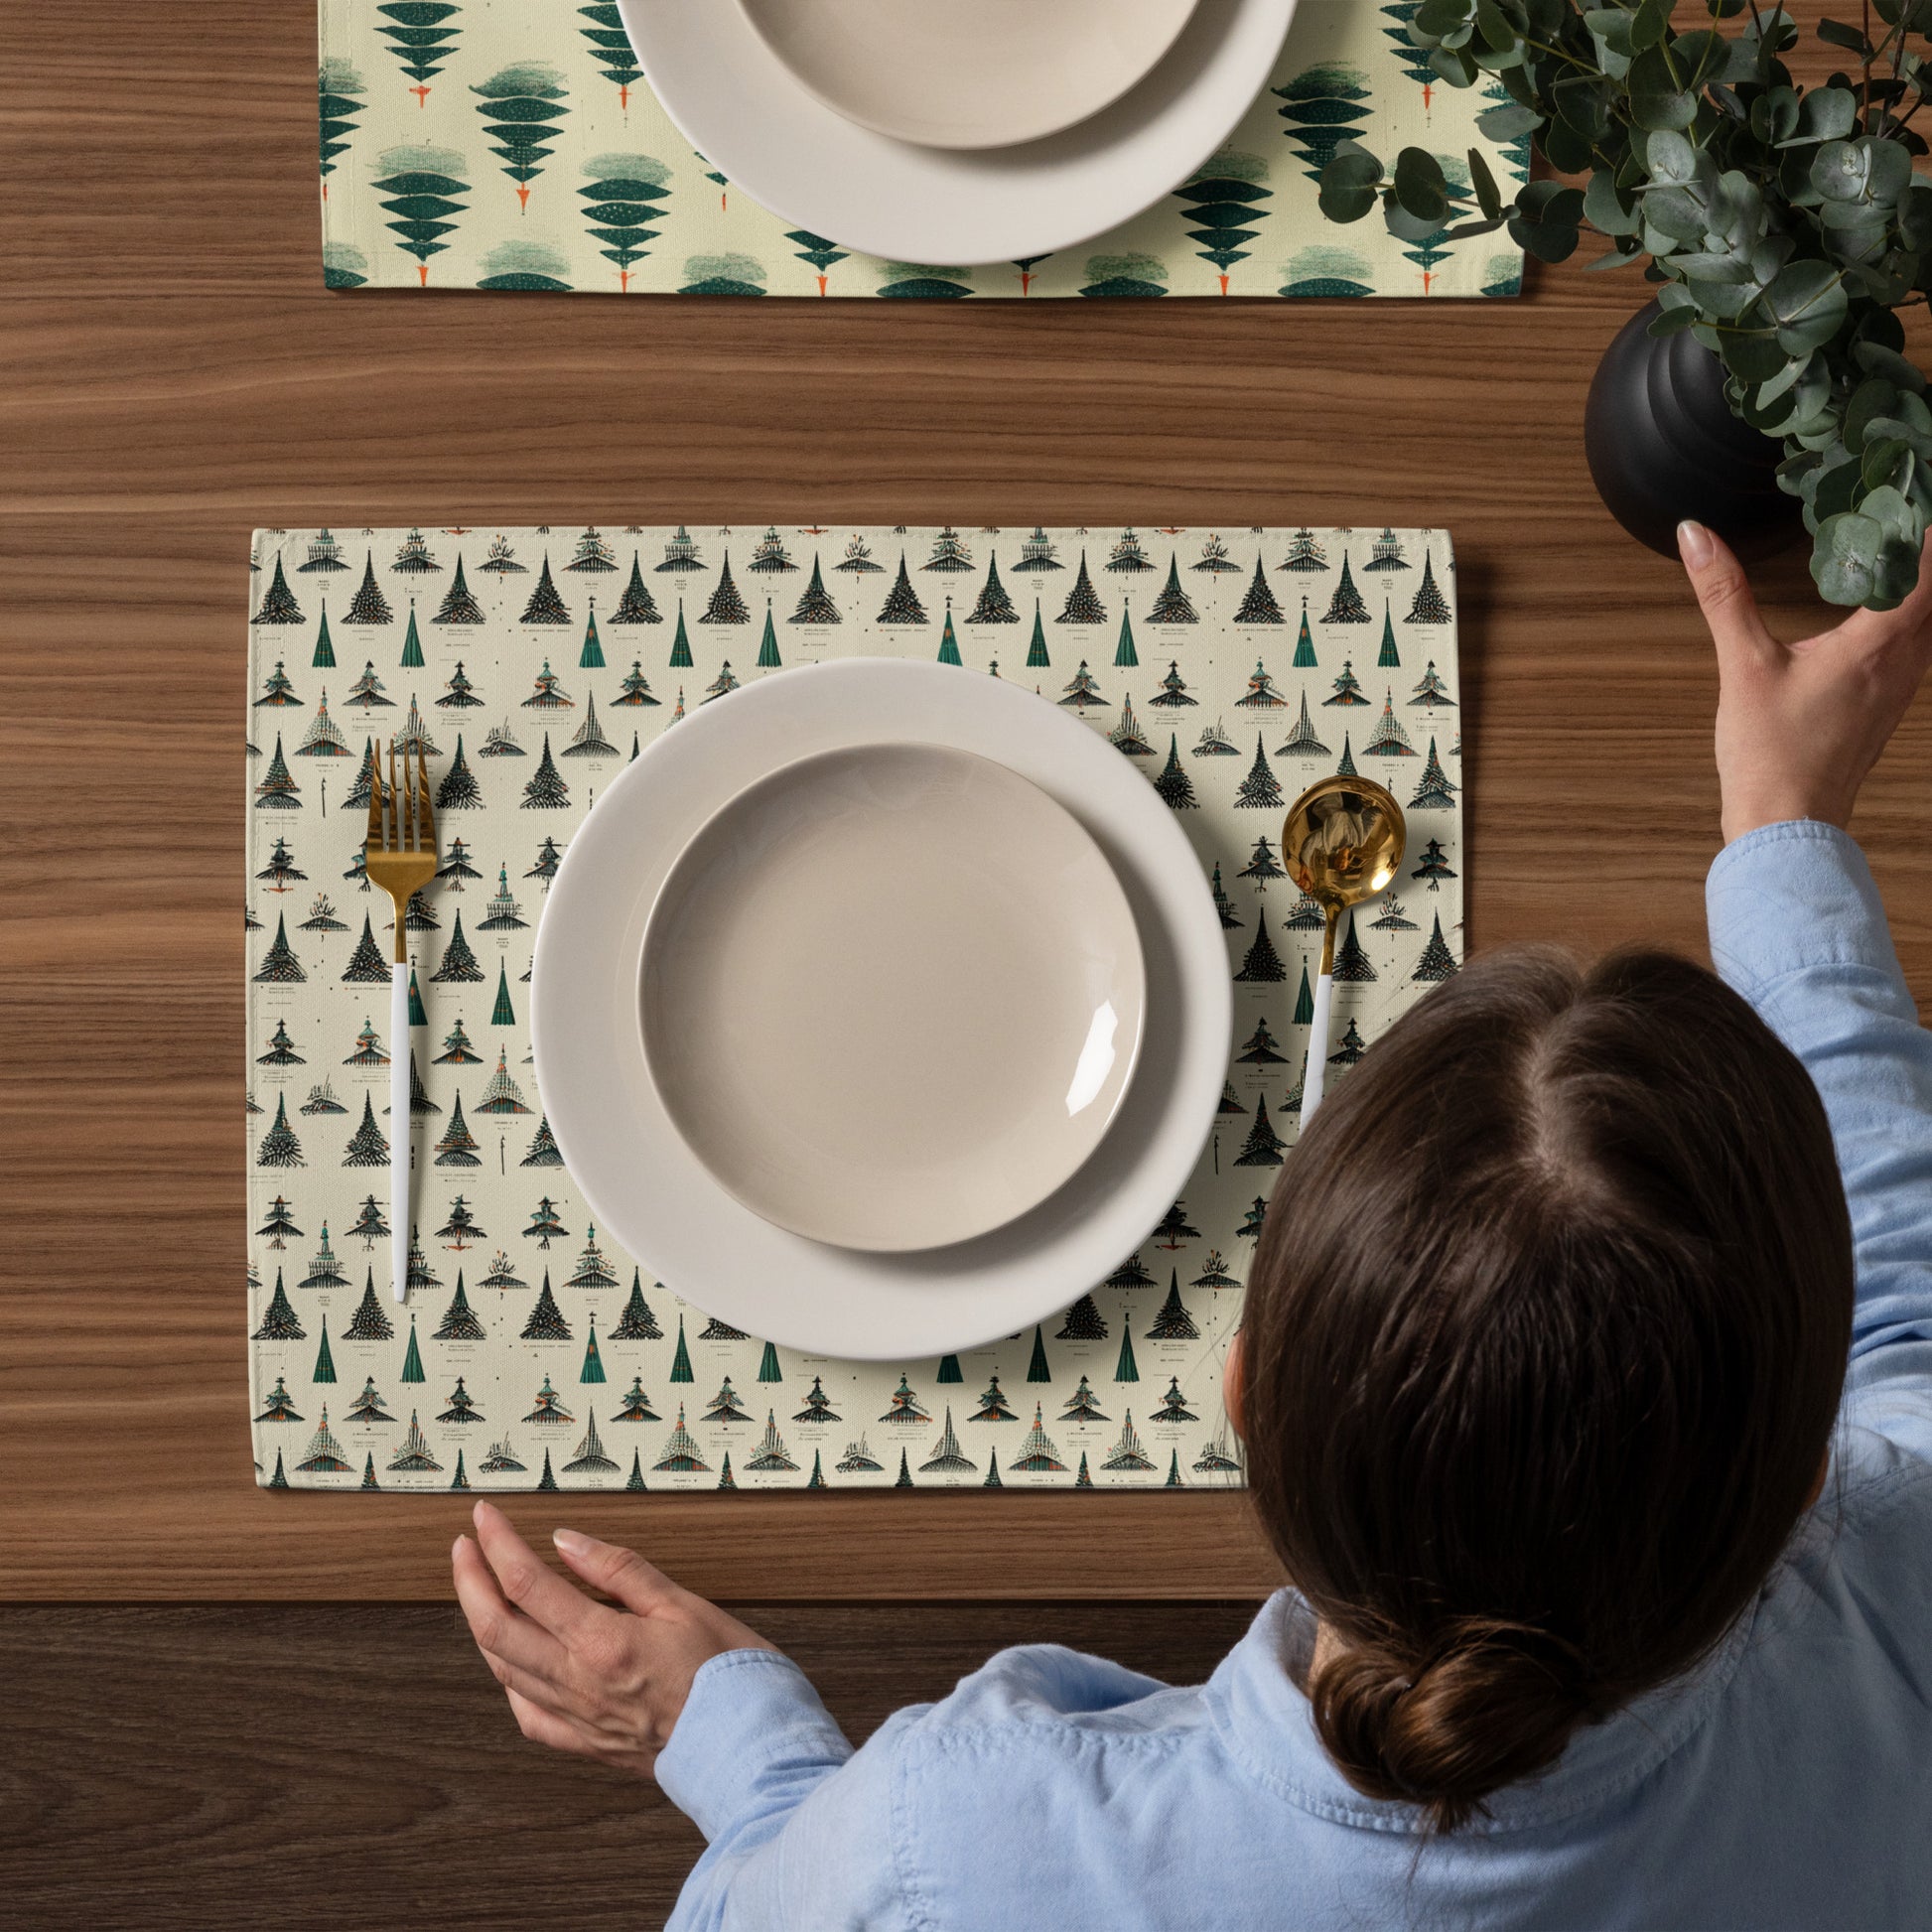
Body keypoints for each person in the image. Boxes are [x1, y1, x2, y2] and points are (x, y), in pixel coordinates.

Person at [452, 522, 1932, 1930]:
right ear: (1806, 1479)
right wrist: (1781, 831)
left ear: (1241, 1391)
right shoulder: (1898, 1600)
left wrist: (739, 1750)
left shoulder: (950, 1847)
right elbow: (1906, 1320)